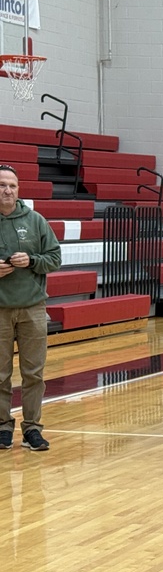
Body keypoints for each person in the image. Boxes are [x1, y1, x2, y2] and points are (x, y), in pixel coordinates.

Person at [0, 164, 62, 451]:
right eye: (2, 185)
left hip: (33, 308)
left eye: (12, 185)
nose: (7, 190)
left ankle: (32, 428)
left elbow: (55, 258)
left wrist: (33, 260)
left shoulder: (36, 220)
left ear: (18, 189)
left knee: (33, 373)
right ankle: (2, 427)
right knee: (0, 374)